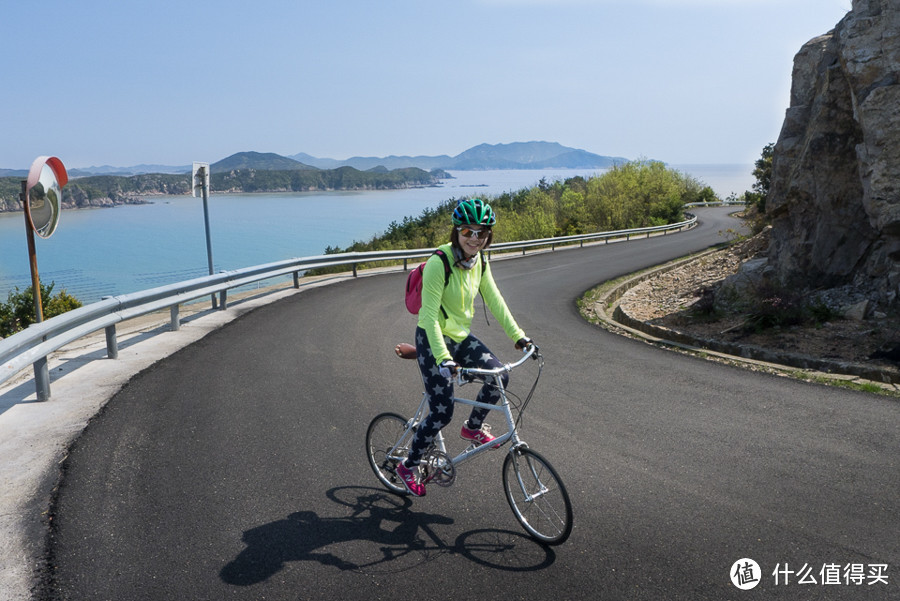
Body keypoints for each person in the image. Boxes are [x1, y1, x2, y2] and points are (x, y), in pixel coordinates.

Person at [394, 198, 533, 497]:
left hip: (459, 337)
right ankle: (408, 465)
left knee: (499, 375)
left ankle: (472, 427)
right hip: (433, 340)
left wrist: (518, 336)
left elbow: (495, 301)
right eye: (468, 231)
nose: (475, 238)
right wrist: (443, 358)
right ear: (456, 232)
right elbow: (428, 317)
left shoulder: (480, 261)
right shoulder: (438, 263)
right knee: (442, 412)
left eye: (481, 233)